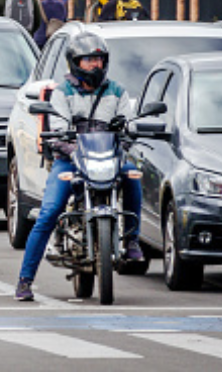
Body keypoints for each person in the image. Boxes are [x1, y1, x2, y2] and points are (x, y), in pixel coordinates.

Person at [15, 34, 143, 301]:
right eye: (88, 60)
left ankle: (132, 240)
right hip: (70, 160)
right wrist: (75, 151)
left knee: (132, 176)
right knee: (49, 211)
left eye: (98, 59)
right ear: (75, 63)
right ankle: (25, 280)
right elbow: (58, 130)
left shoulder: (117, 91)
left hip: (109, 157)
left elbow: (129, 125)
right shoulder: (63, 92)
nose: (95, 65)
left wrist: (132, 131)